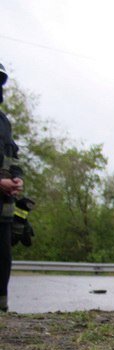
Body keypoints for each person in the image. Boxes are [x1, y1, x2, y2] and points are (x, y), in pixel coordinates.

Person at [0, 62, 24, 312]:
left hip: (4, 209)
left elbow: (13, 156)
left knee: (3, 259)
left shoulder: (3, 123)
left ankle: (2, 311)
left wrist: (17, 178)